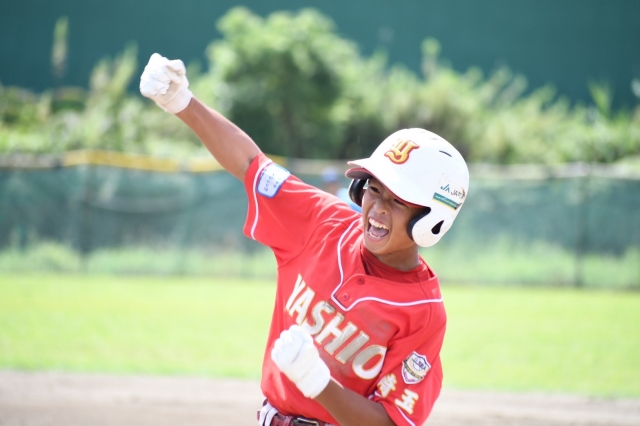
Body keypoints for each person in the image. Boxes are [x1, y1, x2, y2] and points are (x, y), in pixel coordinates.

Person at [140, 53, 469, 426]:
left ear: (431, 219)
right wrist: (182, 102)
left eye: (398, 201)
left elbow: (392, 422)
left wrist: (318, 383)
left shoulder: (423, 313)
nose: (378, 207)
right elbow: (251, 164)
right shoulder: (323, 222)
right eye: (374, 189)